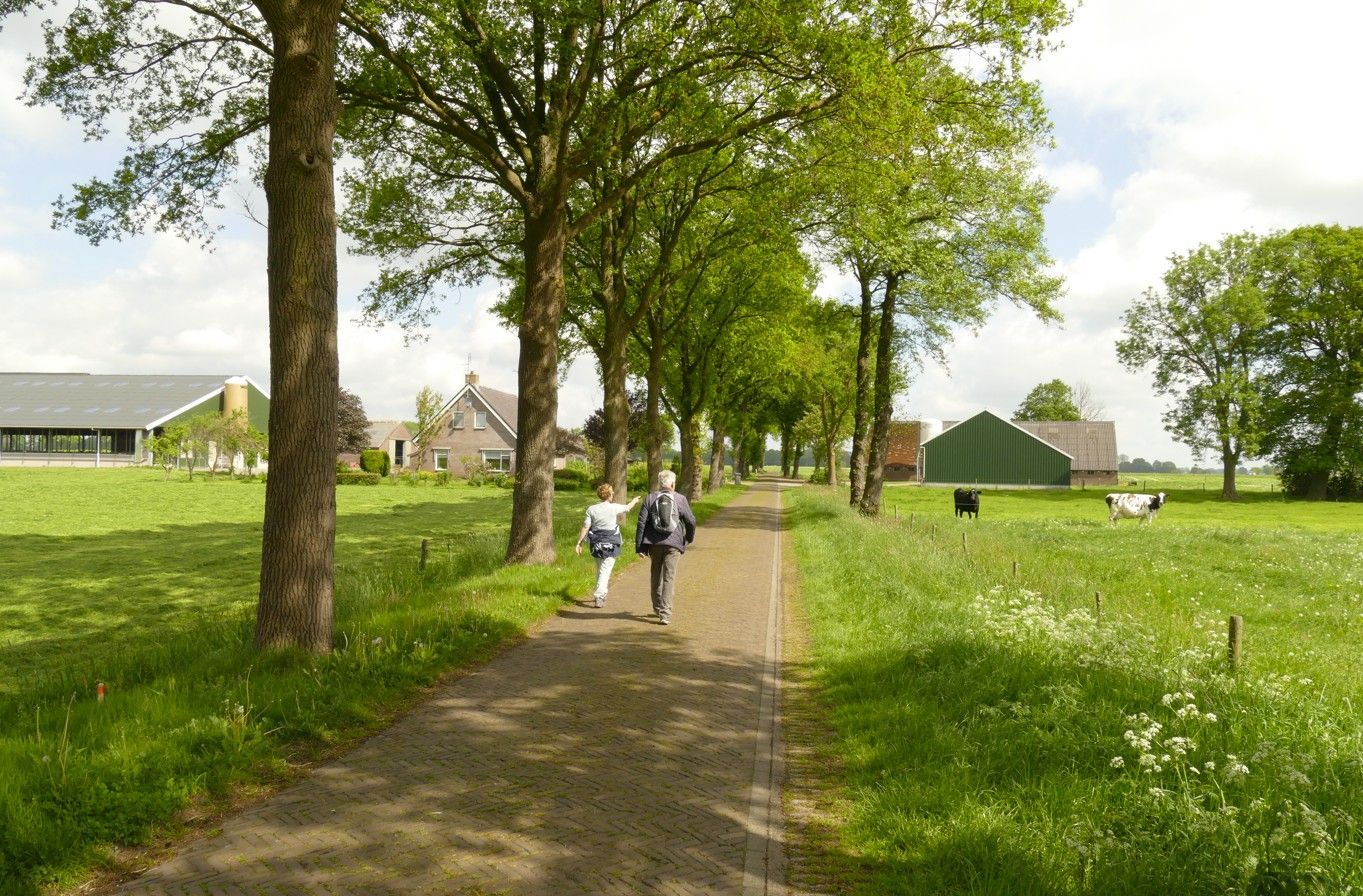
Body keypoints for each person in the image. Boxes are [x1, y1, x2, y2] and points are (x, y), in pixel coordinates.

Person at [634, 470, 697, 625]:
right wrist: (688, 538)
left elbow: (641, 523)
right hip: (674, 543)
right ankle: (665, 614)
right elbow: (691, 521)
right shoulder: (680, 499)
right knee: (669, 577)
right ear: (673, 484)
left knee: (655, 575)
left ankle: (657, 608)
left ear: (659, 483)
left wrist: (640, 547)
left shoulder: (650, 498)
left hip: (654, 543)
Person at [575, 483, 640, 608]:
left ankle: (600, 594)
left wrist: (580, 542)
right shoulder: (613, 507)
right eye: (612, 492)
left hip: (596, 544)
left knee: (600, 569)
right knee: (605, 570)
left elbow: (585, 526)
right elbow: (627, 507)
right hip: (611, 543)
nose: (614, 493)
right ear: (609, 495)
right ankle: (599, 596)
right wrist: (634, 501)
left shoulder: (591, 509)